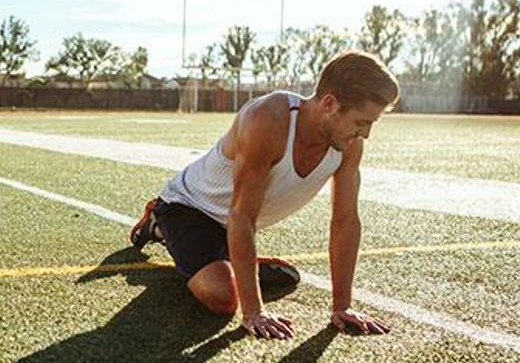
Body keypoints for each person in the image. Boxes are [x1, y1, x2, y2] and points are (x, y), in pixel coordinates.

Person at [131, 50, 399, 340]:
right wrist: (254, 311)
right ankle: (158, 224)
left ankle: (233, 259)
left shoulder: (349, 144)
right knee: (223, 297)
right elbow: (241, 216)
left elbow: (345, 220)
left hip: (232, 223)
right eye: (361, 122)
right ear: (330, 104)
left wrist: (342, 306)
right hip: (190, 207)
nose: (366, 134)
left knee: (229, 276)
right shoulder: (267, 119)